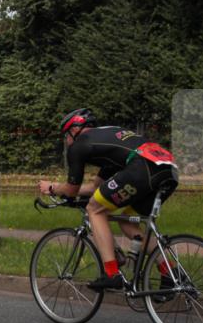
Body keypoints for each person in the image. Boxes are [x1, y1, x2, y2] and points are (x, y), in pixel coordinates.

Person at [38, 109, 179, 292]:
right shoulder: (105, 142)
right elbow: (97, 188)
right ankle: (171, 273)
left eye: (66, 135)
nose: (67, 141)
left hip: (141, 167)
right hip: (166, 169)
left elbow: (72, 189)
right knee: (128, 223)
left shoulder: (79, 145)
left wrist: (52, 188)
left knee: (95, 210)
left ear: (74, 130)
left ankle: (111, 273)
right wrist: (68, 192)